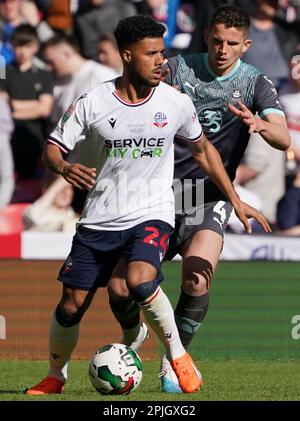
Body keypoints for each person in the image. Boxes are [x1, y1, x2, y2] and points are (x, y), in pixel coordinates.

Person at [23, 14, 258, 396]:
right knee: (71, 306)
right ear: (127, 56)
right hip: (99, 218)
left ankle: (179, 356)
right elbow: (53, 148)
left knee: (139, 279)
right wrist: (65, 167)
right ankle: (56, 375)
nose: (160, 61)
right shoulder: (94, 101)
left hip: (152, 212)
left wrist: (235, 199)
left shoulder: (174, 102)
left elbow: (203, 151)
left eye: (162, 52)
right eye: (151, 54)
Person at [107, 5, 291, 394]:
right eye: (217, 41)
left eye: (232, 44)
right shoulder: (177, 68)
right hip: (157, 192)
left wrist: (259, 124)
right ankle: (133, 333)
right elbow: (134, 89)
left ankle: (174, 362)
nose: (223, 50)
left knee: (196, 275)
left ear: (246, 45)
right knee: (121, 289)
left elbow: (284, 137)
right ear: (206, 36)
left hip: (208, 196)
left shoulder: (256, 84)